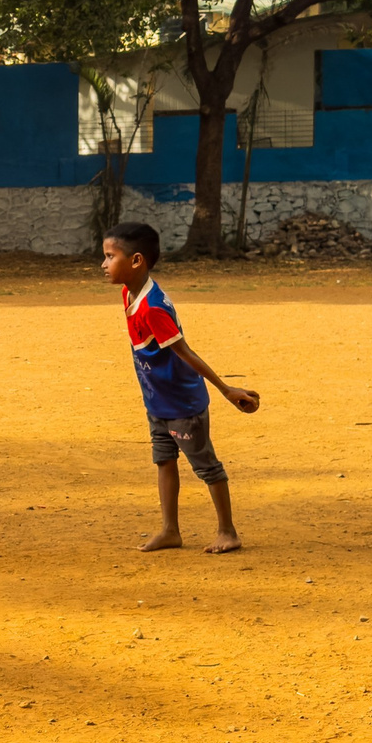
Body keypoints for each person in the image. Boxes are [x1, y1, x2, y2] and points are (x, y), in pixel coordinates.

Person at [100, 221, 260, 554]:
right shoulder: (129, 292)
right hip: (158, 401)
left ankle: (227, 531)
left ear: (136, 261)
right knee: (164, 461)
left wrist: (225, 389)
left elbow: (184, 352)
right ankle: (170, 531)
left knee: (206, 467)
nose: (103, 264)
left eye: (109, 256)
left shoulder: (153, 307)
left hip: (183, 405)